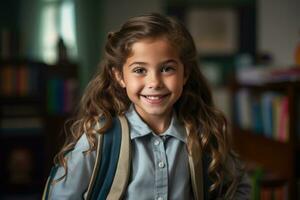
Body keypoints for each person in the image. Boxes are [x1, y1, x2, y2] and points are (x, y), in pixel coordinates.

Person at [43, 13, 251, 200]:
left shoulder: (204, 133)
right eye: (140, 70)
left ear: (184, 73)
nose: (155, 82)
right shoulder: (99, 137)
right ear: (119, 76)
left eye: (167, 68)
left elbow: (241, 187)